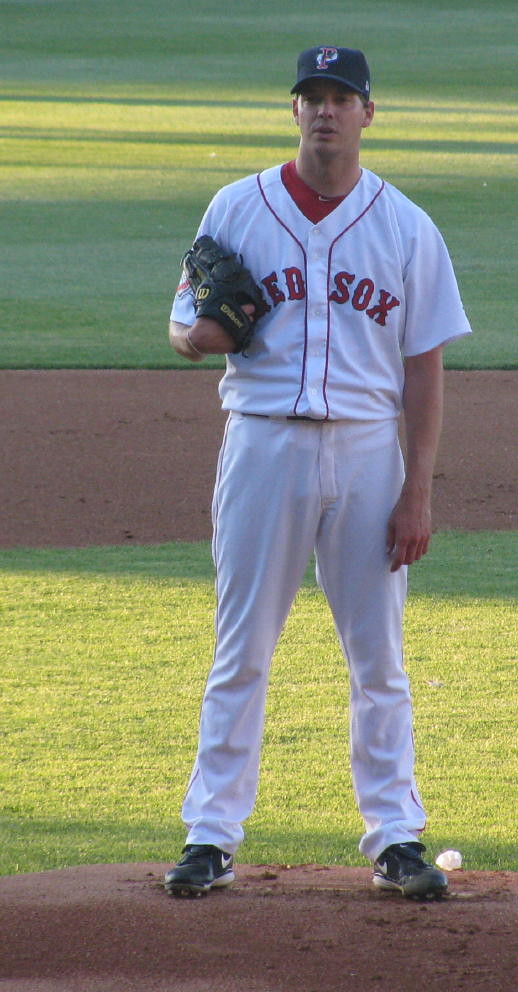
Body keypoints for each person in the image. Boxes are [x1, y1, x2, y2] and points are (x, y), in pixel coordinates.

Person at [164, 45, 471, 900]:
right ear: (292, 110)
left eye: (342, 98)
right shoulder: (236, 207)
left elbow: (425, 367)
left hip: (372, 451)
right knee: (242, 650)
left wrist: (418, 488)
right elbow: (182, 322)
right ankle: (210, 836)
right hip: (262, 443)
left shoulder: (407, 226)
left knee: (379, 658)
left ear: (369, 113)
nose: (326, 111)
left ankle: (397, 839)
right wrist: (199, 339)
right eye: (313, 98)